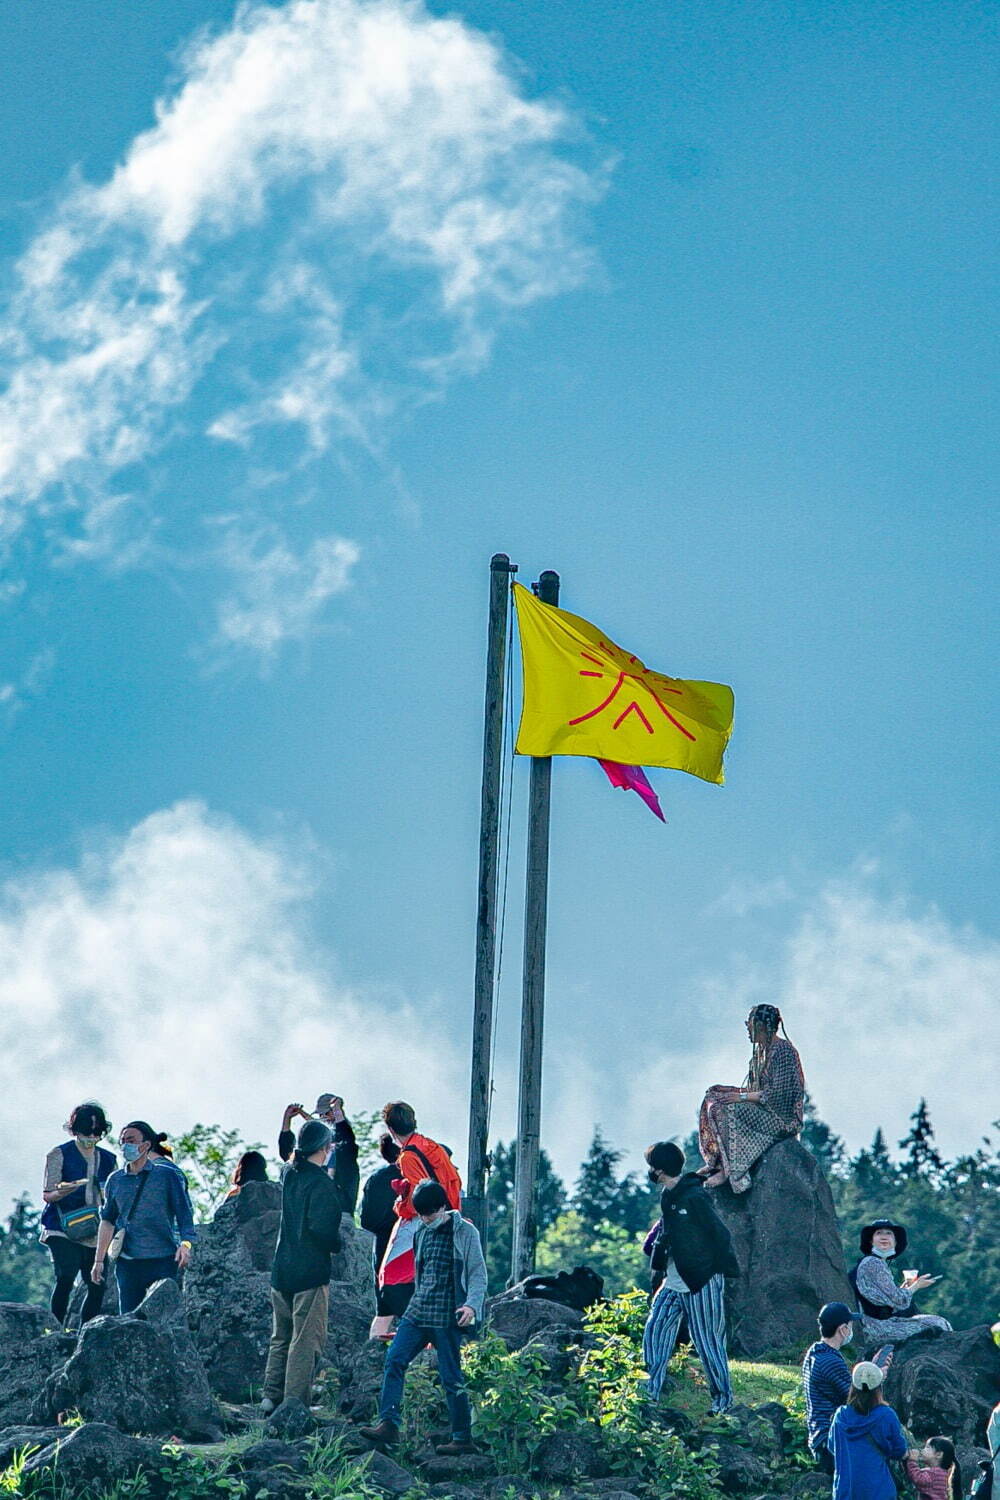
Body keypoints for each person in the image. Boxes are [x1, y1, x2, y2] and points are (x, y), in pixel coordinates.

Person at [359, 1178, 486, 1455]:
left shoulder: (465, 1232)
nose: (425, 1218)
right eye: (421, 1213)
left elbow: (477, 1273)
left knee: (451, 1376)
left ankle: (462, 1437)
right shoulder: (421, 1232)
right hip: (417, 1312)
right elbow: (421, 1275)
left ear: (442, 1206)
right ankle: (389, 1423)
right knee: (394, 1359)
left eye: (429, 1213)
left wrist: (471, 1306)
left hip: (448, 1315)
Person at [641, 1140, 740, 1415]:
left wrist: (711, 1271)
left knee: (708, 1341)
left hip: (701, 1280)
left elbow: (721, 1235)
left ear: (660, 1170)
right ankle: (648, 1396)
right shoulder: (669, 1195)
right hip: (674, 1280)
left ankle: (723, 1402)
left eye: (652, 1166)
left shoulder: (694, 1197)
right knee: (655, 1332)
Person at [261, 1119, 344, 1414]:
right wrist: (337, 1244)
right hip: (310, 1270)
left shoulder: (290, 1174)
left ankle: (270, 1396)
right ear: (325, 1147)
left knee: (280, 1336)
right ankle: (295, 1402)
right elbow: (322, 1229)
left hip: (281, 1266)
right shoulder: (322, 1183)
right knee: (304, 1339)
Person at [92, 1120, 197, 1315]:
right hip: (128, 1262)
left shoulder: (167, 1176)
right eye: (122, 1141)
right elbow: (107, 1221)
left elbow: (184, 1215)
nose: (126, 1146)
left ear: (146, 1145)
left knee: (167, 1319)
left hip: (163, 1259)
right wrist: (99, 1261)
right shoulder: (115, 1180)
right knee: (128, 1321)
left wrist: (186, 1245)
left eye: (131, 1140)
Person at [698, 1004, 805, 1193]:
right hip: (764, 1110)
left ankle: (729, 1170)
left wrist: (740, 1097)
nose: (747, 1029)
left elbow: (779, 1095)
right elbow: (756, 1090)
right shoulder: (760, 1053)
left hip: (781, 1120)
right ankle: (717, 1160)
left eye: (750, 1025)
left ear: (762, 1027)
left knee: (723, 1109)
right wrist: (730, 1091)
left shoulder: (784, 1052)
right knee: (713, 1097)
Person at [376, 1101, 462, 1330]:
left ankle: (412, 1327)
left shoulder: (407, 1157)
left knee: (390, 1278)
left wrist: (400, 1205)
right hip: (448, 1216)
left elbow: (418, 1197)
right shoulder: (432, 1147)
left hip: (422, 1222)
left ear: (391, 1130)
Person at [40, 1102, 117, 1328]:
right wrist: (64, 1190)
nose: (92, 1136)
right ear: (76, 1129)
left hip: (94, 1228)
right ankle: (54, 1328)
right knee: (66, 1274)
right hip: (62, 1225)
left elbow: (112, 1197)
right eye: (87, 1130)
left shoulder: (108, 1159)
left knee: (97, 1282)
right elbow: (47, 1194)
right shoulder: (58, 1154)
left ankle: (86, 1331)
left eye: (97, 1131)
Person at [850, 1219, 951, 1344]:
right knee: (939, 1325)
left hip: (876, 1325)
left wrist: (905, 1288)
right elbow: (899, 1300)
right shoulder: (873, 1263)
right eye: (879, 1233)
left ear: (895, 1241)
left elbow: (888, 1300)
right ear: (871, 1240)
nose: (884, 1237)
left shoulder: (874, 1262)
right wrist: (916, 1286)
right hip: (877, 1329)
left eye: (889, 1234)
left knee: (934, 1322)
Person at [828, 1361, 908, 1500]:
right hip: (878, 1491)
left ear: (853, 1386)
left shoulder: (840, 1416)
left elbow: (832, 1447)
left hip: (846, 1492)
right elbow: (899, 1450)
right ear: (879, 1387)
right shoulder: (886, 1415)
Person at [279, 1095, 359, 1214]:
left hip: (340, 1213)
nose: (322, 1118)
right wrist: (287, 1120)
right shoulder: (310, 1156)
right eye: (320, 1115)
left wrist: (337, 1112)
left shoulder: (343, 1149)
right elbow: (288, 1153)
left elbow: (345, 1141)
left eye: (325, 1114)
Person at [802, 1302, 857, 1472]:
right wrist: (877, 1378)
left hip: (820, 1438)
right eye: (850, 1325)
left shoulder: (816, 1352)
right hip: (831, 1442)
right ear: (842, 1329)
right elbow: (856, 1399)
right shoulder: (830, 1361)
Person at [359, 1135, 402, 1334]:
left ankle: (375, 1352)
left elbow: (366, 1221)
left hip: (384, 1249)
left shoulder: (375, 1180)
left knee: (383, 1312)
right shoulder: (415, 1176)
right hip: (413, 1250)